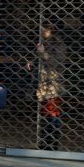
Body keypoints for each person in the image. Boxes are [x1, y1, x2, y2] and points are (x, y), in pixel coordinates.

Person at [30, 23, 66, 151]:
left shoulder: (59, 45)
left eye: (44, 29)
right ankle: (44, 142)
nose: (41, 31)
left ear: (51, 30)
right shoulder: (45, 43)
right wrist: (32, 65)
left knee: (53, 114)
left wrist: (42, 53)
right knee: (45, 114)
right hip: (44, 84)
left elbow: (55, 62)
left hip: (52, 85)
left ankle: (52, 144)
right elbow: (40, 62)